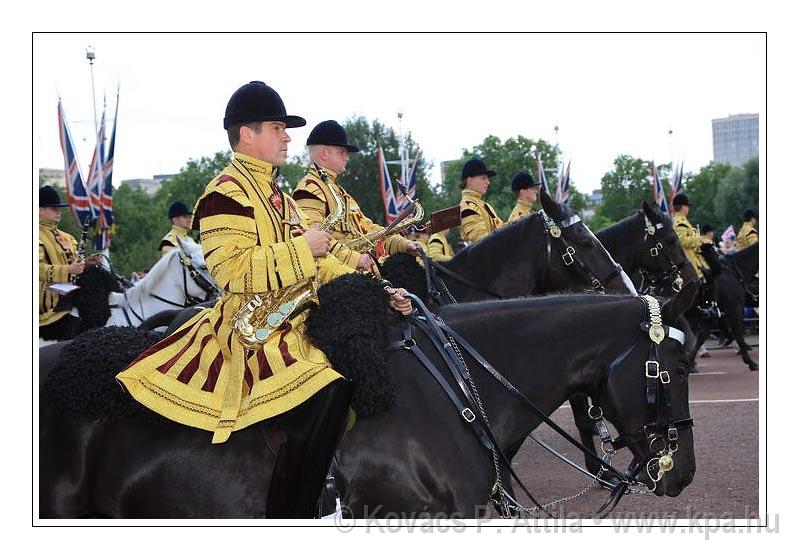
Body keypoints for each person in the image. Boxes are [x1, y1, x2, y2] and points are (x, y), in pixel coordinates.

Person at [117, 81, 412, 518]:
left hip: (292, 310)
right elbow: (230, 271)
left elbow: (320, 259)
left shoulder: (277, 194)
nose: (288, 137)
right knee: (326, 384)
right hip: (246, 325)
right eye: (278, 128)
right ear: (246, 134)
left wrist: (377, 289)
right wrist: (303, 249)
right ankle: (294, 509)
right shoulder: (224, 192)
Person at [292, 120, 422, 272]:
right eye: (342, 152)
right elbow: (315, 240)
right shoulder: (309, 189)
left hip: (354, 276)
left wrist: (404, 244)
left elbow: (369, 229)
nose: (347, 157)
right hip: (336, 281)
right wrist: (355, 259)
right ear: (324, 154)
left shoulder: (338, 191)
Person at [39, 185, 84, 340]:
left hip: (68, 291)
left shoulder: (67, 237)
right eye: (53, 208)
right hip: (46, 298)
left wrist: (86, 263)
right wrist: (68, 270)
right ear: (40, 210)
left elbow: (75, 262)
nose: (59, 212)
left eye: (59, 208)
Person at [458, 158, 504, 244]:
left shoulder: (484, 205)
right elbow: (481, 243)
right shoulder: (468, 207)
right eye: (483, 178)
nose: (488, 182)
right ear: (469, 180)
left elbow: (503, 229)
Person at [672, 193, 709, 279]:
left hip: (694, 259)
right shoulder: (679, 222)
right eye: (687, 206)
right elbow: (682, 241)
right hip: (690, 261)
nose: (688, 209)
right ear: (683, 207)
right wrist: (700, 239)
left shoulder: (682, 220)